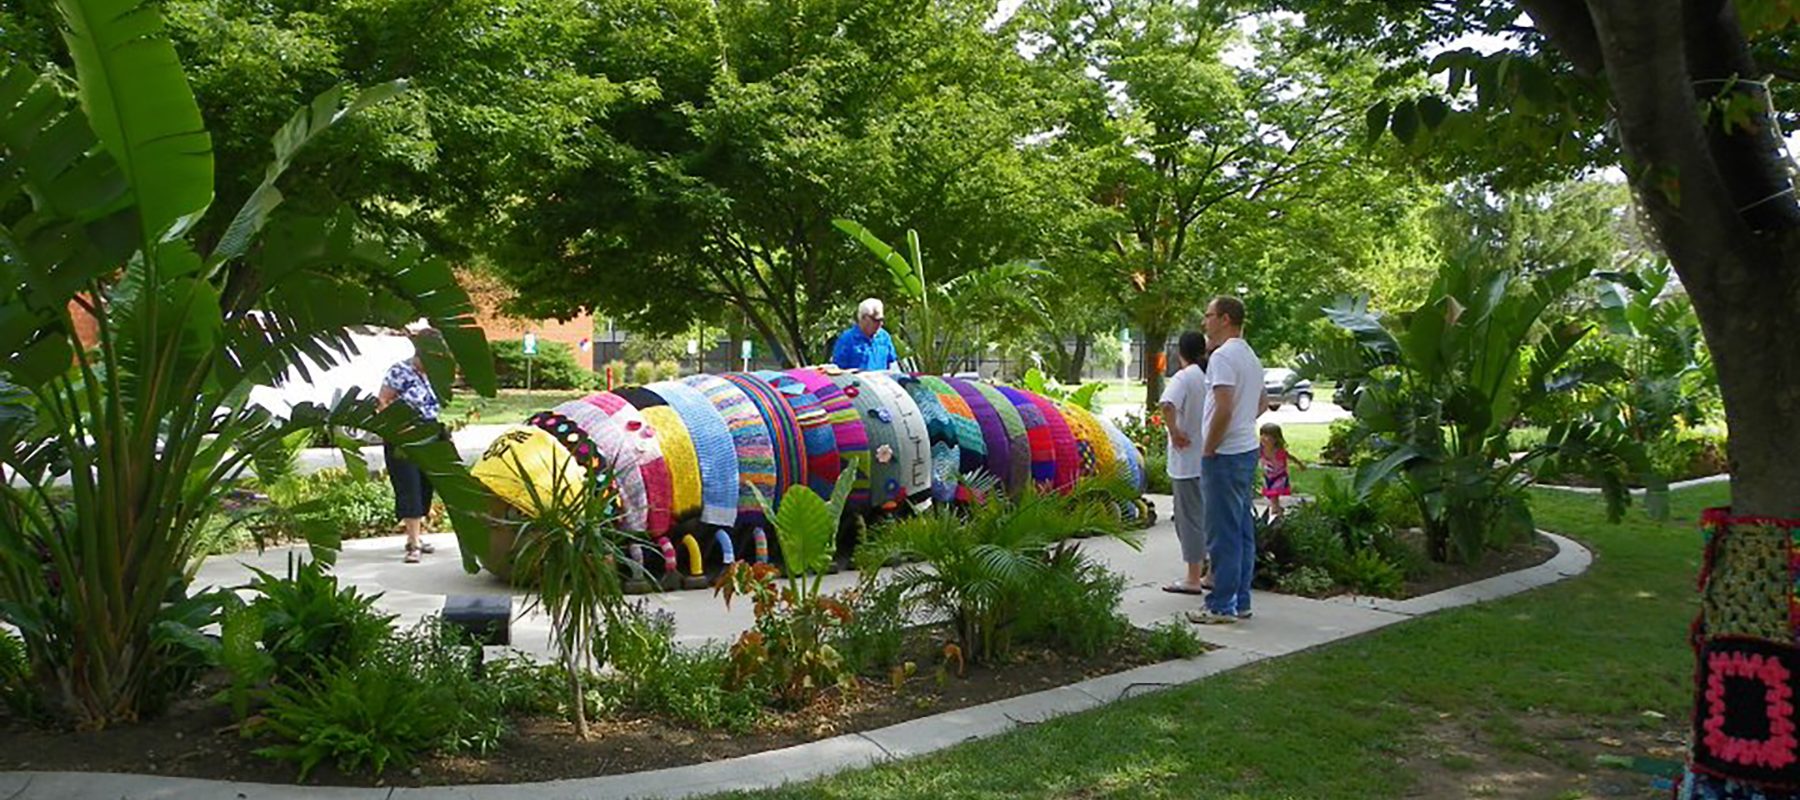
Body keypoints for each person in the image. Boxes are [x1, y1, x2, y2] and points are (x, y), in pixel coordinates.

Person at [1188, 296, 1265, 625]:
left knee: (1222, 533)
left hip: (1224, 455)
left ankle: (1220, 605)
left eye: (1208, 316)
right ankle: (1240, 600)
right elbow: (1261, 403)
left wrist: (1210, 447)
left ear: (1225, 319)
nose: (1204, 322)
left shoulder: (1222, 358)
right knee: (1242, 530)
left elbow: (1223, 407)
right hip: (1246, 450)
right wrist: (1241, 427)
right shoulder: (1250, 357)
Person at [377, 329, 447, 564]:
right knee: (409, 486)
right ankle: (413, 543)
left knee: (426, 485)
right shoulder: (400, 371)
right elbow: (383, 401)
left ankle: (418, 535)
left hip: (430, 433)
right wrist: (397, 427)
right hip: (403, 435)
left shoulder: (436, 375)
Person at [1158, 331, 1212, 596]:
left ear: (1181, 352)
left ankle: (1193, 576)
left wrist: (1174, 432)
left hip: (1186, 461)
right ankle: (1212, 573)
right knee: (1209, 517)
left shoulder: (1185, 376)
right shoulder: (1209, 376)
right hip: (1210, 457)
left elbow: (1167, 404)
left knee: (1188, 519)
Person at [831, 298, 898, 371]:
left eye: (881, 320)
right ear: (863, 318)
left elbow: (892, 364)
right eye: (875, 320)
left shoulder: (884, 337)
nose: (880, 324)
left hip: (880, 381)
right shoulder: (847, 339)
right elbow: (838, 369)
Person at [1259, 422, 1306, 518]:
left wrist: (1300, 464)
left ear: (1276, 439)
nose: (1264, 438)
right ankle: (1278, 510)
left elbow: (1291, 457)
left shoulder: (1279, 452)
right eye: (1262, 435)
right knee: (1272, 496)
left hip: (1279, 477)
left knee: (1274, 496)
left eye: (1268, 436)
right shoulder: (1260, 450)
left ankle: (1275, 513)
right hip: (1268, 477)